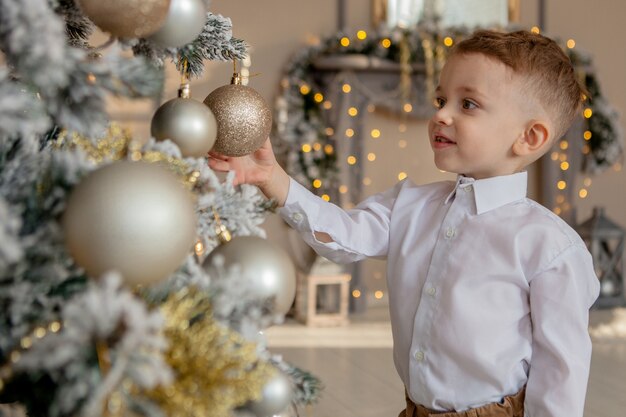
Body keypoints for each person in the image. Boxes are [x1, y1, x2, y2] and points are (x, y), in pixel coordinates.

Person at [208, 29, 600, 417]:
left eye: (468, 104)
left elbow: (561, 373)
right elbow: (343, 238)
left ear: (529, 137)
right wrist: (271, 177)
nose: (441, 114)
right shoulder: (410, 204)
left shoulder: (549, 247)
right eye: (441, 99)